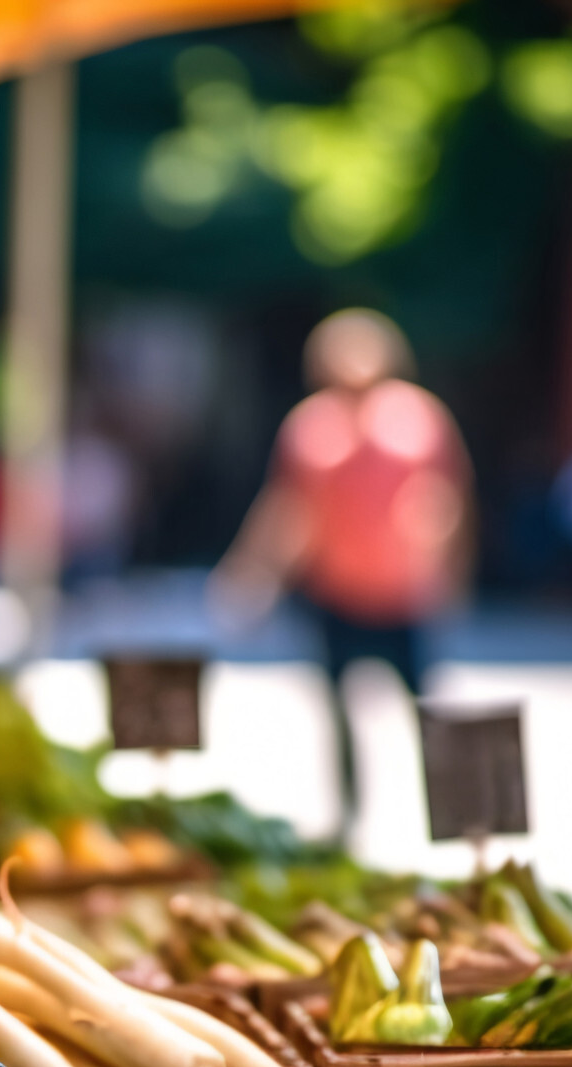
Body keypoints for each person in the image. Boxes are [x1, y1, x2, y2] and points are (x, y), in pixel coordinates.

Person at [209, 308, 472, 829]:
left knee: (432, 714)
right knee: (338, 715)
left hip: (403, 596)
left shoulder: (419, 421)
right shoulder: (310, 430)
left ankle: (462, 818)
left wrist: (449, 568)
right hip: (338, 594)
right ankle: (348, 819)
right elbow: (289, 510)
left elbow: (451, 502)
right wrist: (254, 573)